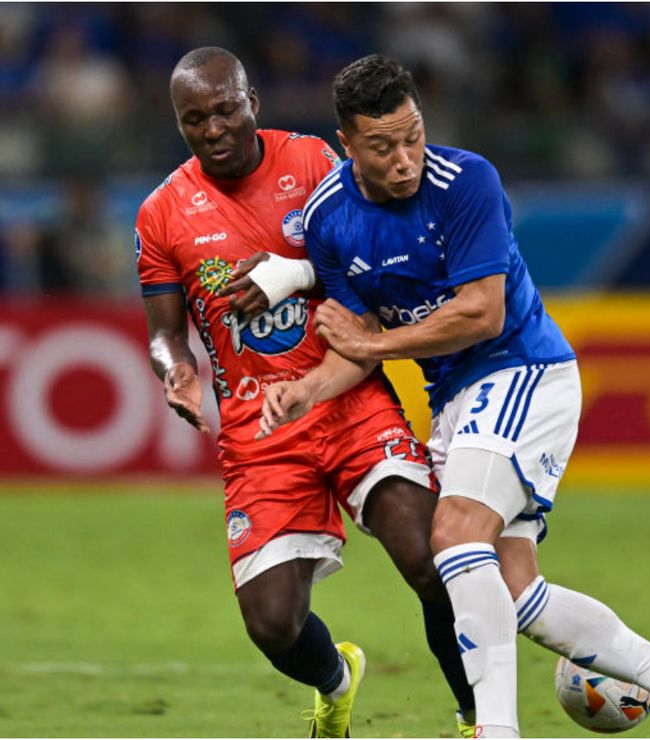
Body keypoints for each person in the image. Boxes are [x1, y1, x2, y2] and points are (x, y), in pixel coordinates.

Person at [255, 54, 650, 738]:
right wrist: (307, 388)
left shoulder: (467, 182)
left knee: (451, 539)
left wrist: (371, 349)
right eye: (382, 146)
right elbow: (357, 340)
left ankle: (496, 731)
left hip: (520, 371)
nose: (404, 159)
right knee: (515, 594)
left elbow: (481, 312)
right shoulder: (330, 219)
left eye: (413, 136)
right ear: (347, 144)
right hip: (457, 398)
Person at [135, 47, 474, 738]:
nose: (213, 128)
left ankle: (480, 718)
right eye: (194, 119)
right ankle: (335, 679)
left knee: (431, 559)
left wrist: (292, 273)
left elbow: (366, 268)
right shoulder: (162, 213)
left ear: (252, 100)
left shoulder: (317, 164)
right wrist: (175, 369)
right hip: (260, 432)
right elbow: (164, 331)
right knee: (272, 624)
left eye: (225, 109)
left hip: (349, 398)